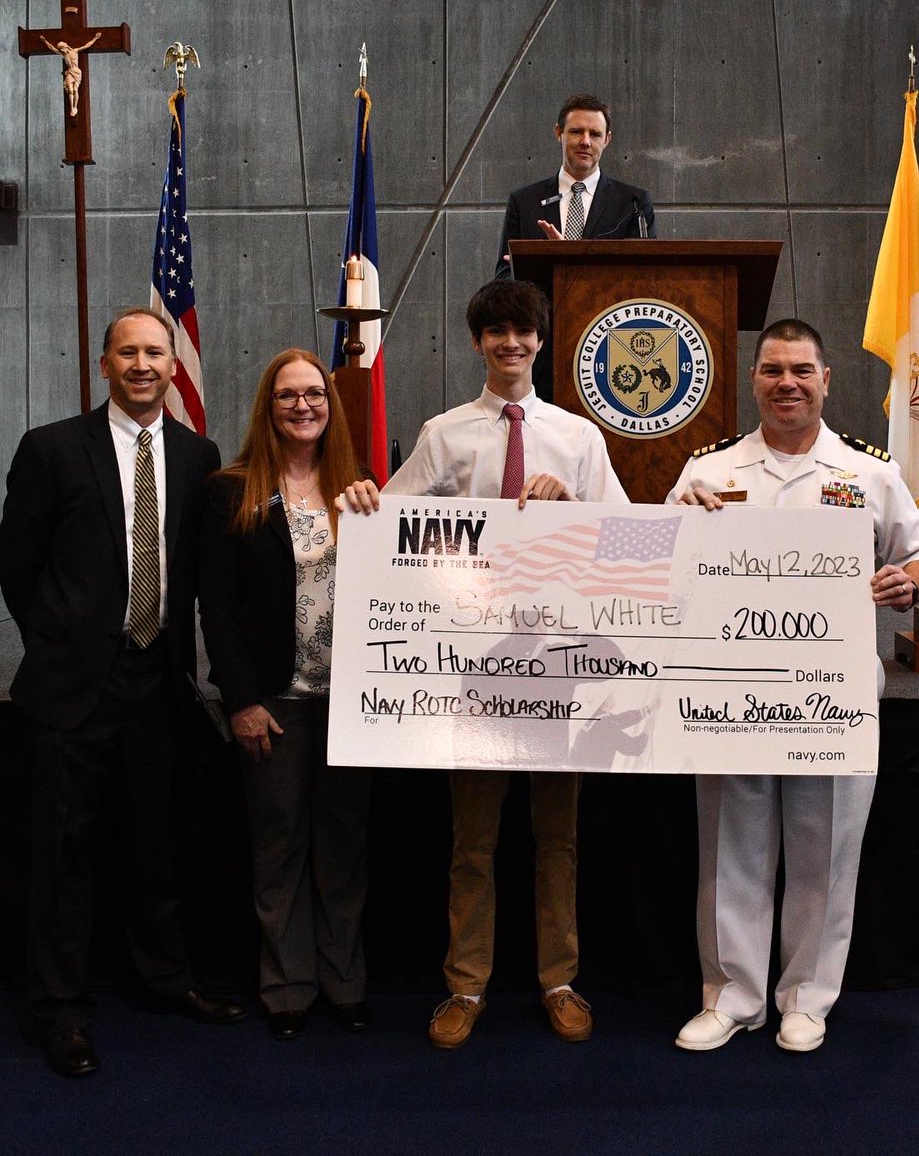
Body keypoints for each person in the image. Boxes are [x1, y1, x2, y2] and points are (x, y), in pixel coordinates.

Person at [343, 279, 627, 1048]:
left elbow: (630, 545)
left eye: (524, 332)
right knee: (473, 842)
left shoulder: (578, 438)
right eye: (496, 332)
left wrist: (572, 503)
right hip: (470, 675)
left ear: (542, 342)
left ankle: (558, 979)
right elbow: (392, 533)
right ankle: (465, 986)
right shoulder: (444, 434)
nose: (511, 344)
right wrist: (368, 508)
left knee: (558, 839)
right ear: (478, 343)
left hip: (559, 667)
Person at [666, 318, 919, 1053]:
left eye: (801, 371)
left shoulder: (869, 473)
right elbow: (652, 570)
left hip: (834, 695)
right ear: (753, 380)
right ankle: (730, 996)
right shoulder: (707, 471)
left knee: (826, 851)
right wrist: (677, 527)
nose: (787, 383)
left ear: (826, 380)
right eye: (772, 370)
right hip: (729, 697)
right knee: (730, 850)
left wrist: (905, 584)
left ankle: (807, 999)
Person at [0, 307, 244, 1077]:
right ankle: (60, 1011)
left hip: (160, 682)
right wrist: (63, 641)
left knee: (157, 847)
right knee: (60, 858)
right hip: (71, 690)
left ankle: (166, 980)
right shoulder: (50, 449)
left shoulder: (198, 452)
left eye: (155, 353)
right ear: (104, 364)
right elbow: (18, 566)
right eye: (127, 353)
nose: (143, 365)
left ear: (174, 365)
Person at [199, 349, 372, 1041]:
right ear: (268, 408)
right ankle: (288, 988)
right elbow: (215, 606)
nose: (304, 406)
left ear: (331, 408)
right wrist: (239, 698)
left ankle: (346, 983)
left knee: (345, 848)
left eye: (316, 395)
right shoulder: (231, 489)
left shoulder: (356, 486)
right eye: (288, 396)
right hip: (274, 701)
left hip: (350, 703)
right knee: (278, 848)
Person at [495, 92, 656, 402]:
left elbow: (644, 283)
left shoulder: (633, 203)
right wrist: (543, 265)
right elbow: (504, 276)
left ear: (607, 139)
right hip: (542, 355)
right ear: (559, 133)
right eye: (576, 131)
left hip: (611, 353)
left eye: (594, 134)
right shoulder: (525, 201)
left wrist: (566, 260)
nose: (585, 141)